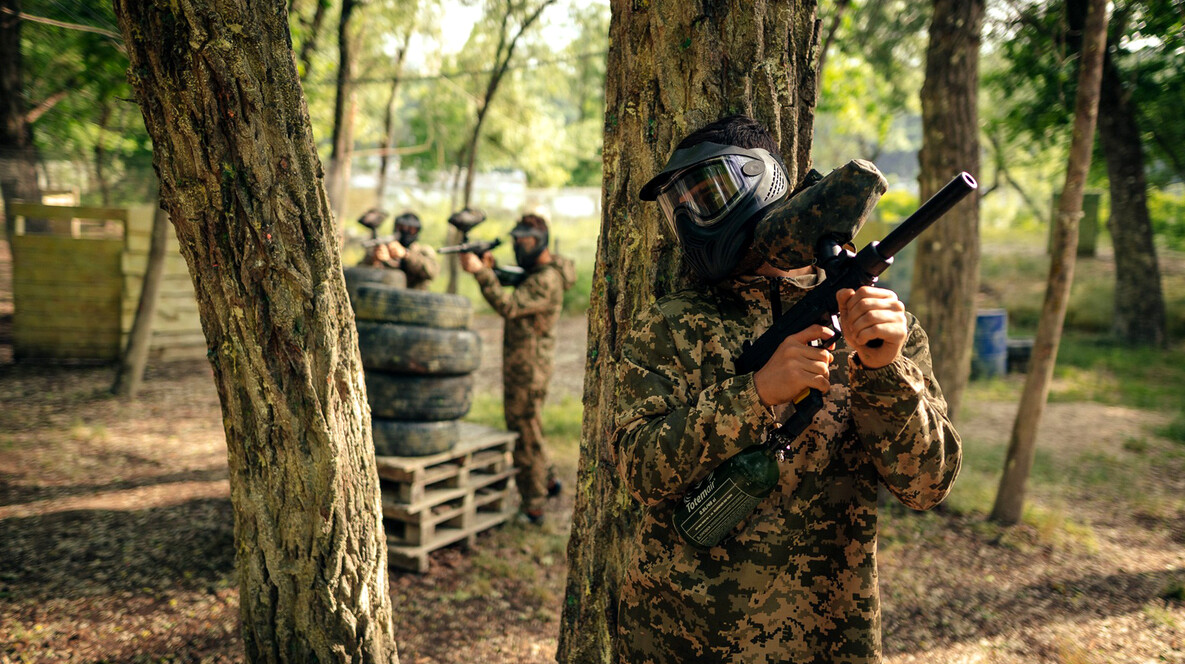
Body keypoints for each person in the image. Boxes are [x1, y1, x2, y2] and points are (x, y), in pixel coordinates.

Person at [614, 115, 961, 663]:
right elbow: (637, 471)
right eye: (680, 203)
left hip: (827, 634)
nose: (690, 215)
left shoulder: (875, 326)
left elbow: (928, 484)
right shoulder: (673, 324)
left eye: (708, 193)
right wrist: (752, 396)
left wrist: (885, 370)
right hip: (679, 637)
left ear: (764, 181)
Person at [459, 213, 576, 525]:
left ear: (539, 242)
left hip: (529, 369)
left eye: (522, 242)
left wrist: (482, 274)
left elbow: (509, 306)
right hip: (525, 365)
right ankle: (549, 481)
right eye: (515, 241)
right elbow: (516, 279)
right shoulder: (538, 272)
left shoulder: (546, 279)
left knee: (524, 433)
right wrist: (492, 268)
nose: (517, 247)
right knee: (530, 427)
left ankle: (533, 505)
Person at [360, 210, 440, 290]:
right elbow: (359, 272)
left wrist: (406, 254)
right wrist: (374, 260)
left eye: (411, 229)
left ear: (417, 231)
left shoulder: (423, 251)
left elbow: (432, 272)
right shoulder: (386, 249)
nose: (405, 231)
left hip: (414, 299)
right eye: (401, 227)